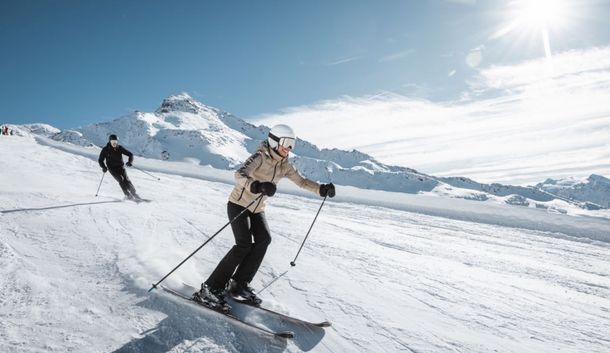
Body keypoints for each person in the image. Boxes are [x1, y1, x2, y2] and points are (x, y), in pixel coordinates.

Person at [193, 124, 336, 308]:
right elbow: (239, 174)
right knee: (243, 244)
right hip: (239, 204)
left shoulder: (284, 165)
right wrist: (256, 186)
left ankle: (239, 284)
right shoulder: (260, 156)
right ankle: (210, 289)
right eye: (286, 143)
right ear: (274, 141)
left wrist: (321, 189)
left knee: (264, 239)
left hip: (257, 209)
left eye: (292, 144)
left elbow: (301, 181)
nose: (289, 148)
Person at [98, 134, 141, 200]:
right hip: (112, 168)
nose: (114, 143)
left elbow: (130, 154)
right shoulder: (105, 149)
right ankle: (128, 195)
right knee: (120, 179)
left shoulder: (119, 148)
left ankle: (134, 194)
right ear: (110, 141)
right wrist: (103, 167)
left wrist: (130, 162)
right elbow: (100, 160)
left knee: (126, 180)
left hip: (121, 167)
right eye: (113, 141)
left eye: (116, 141)